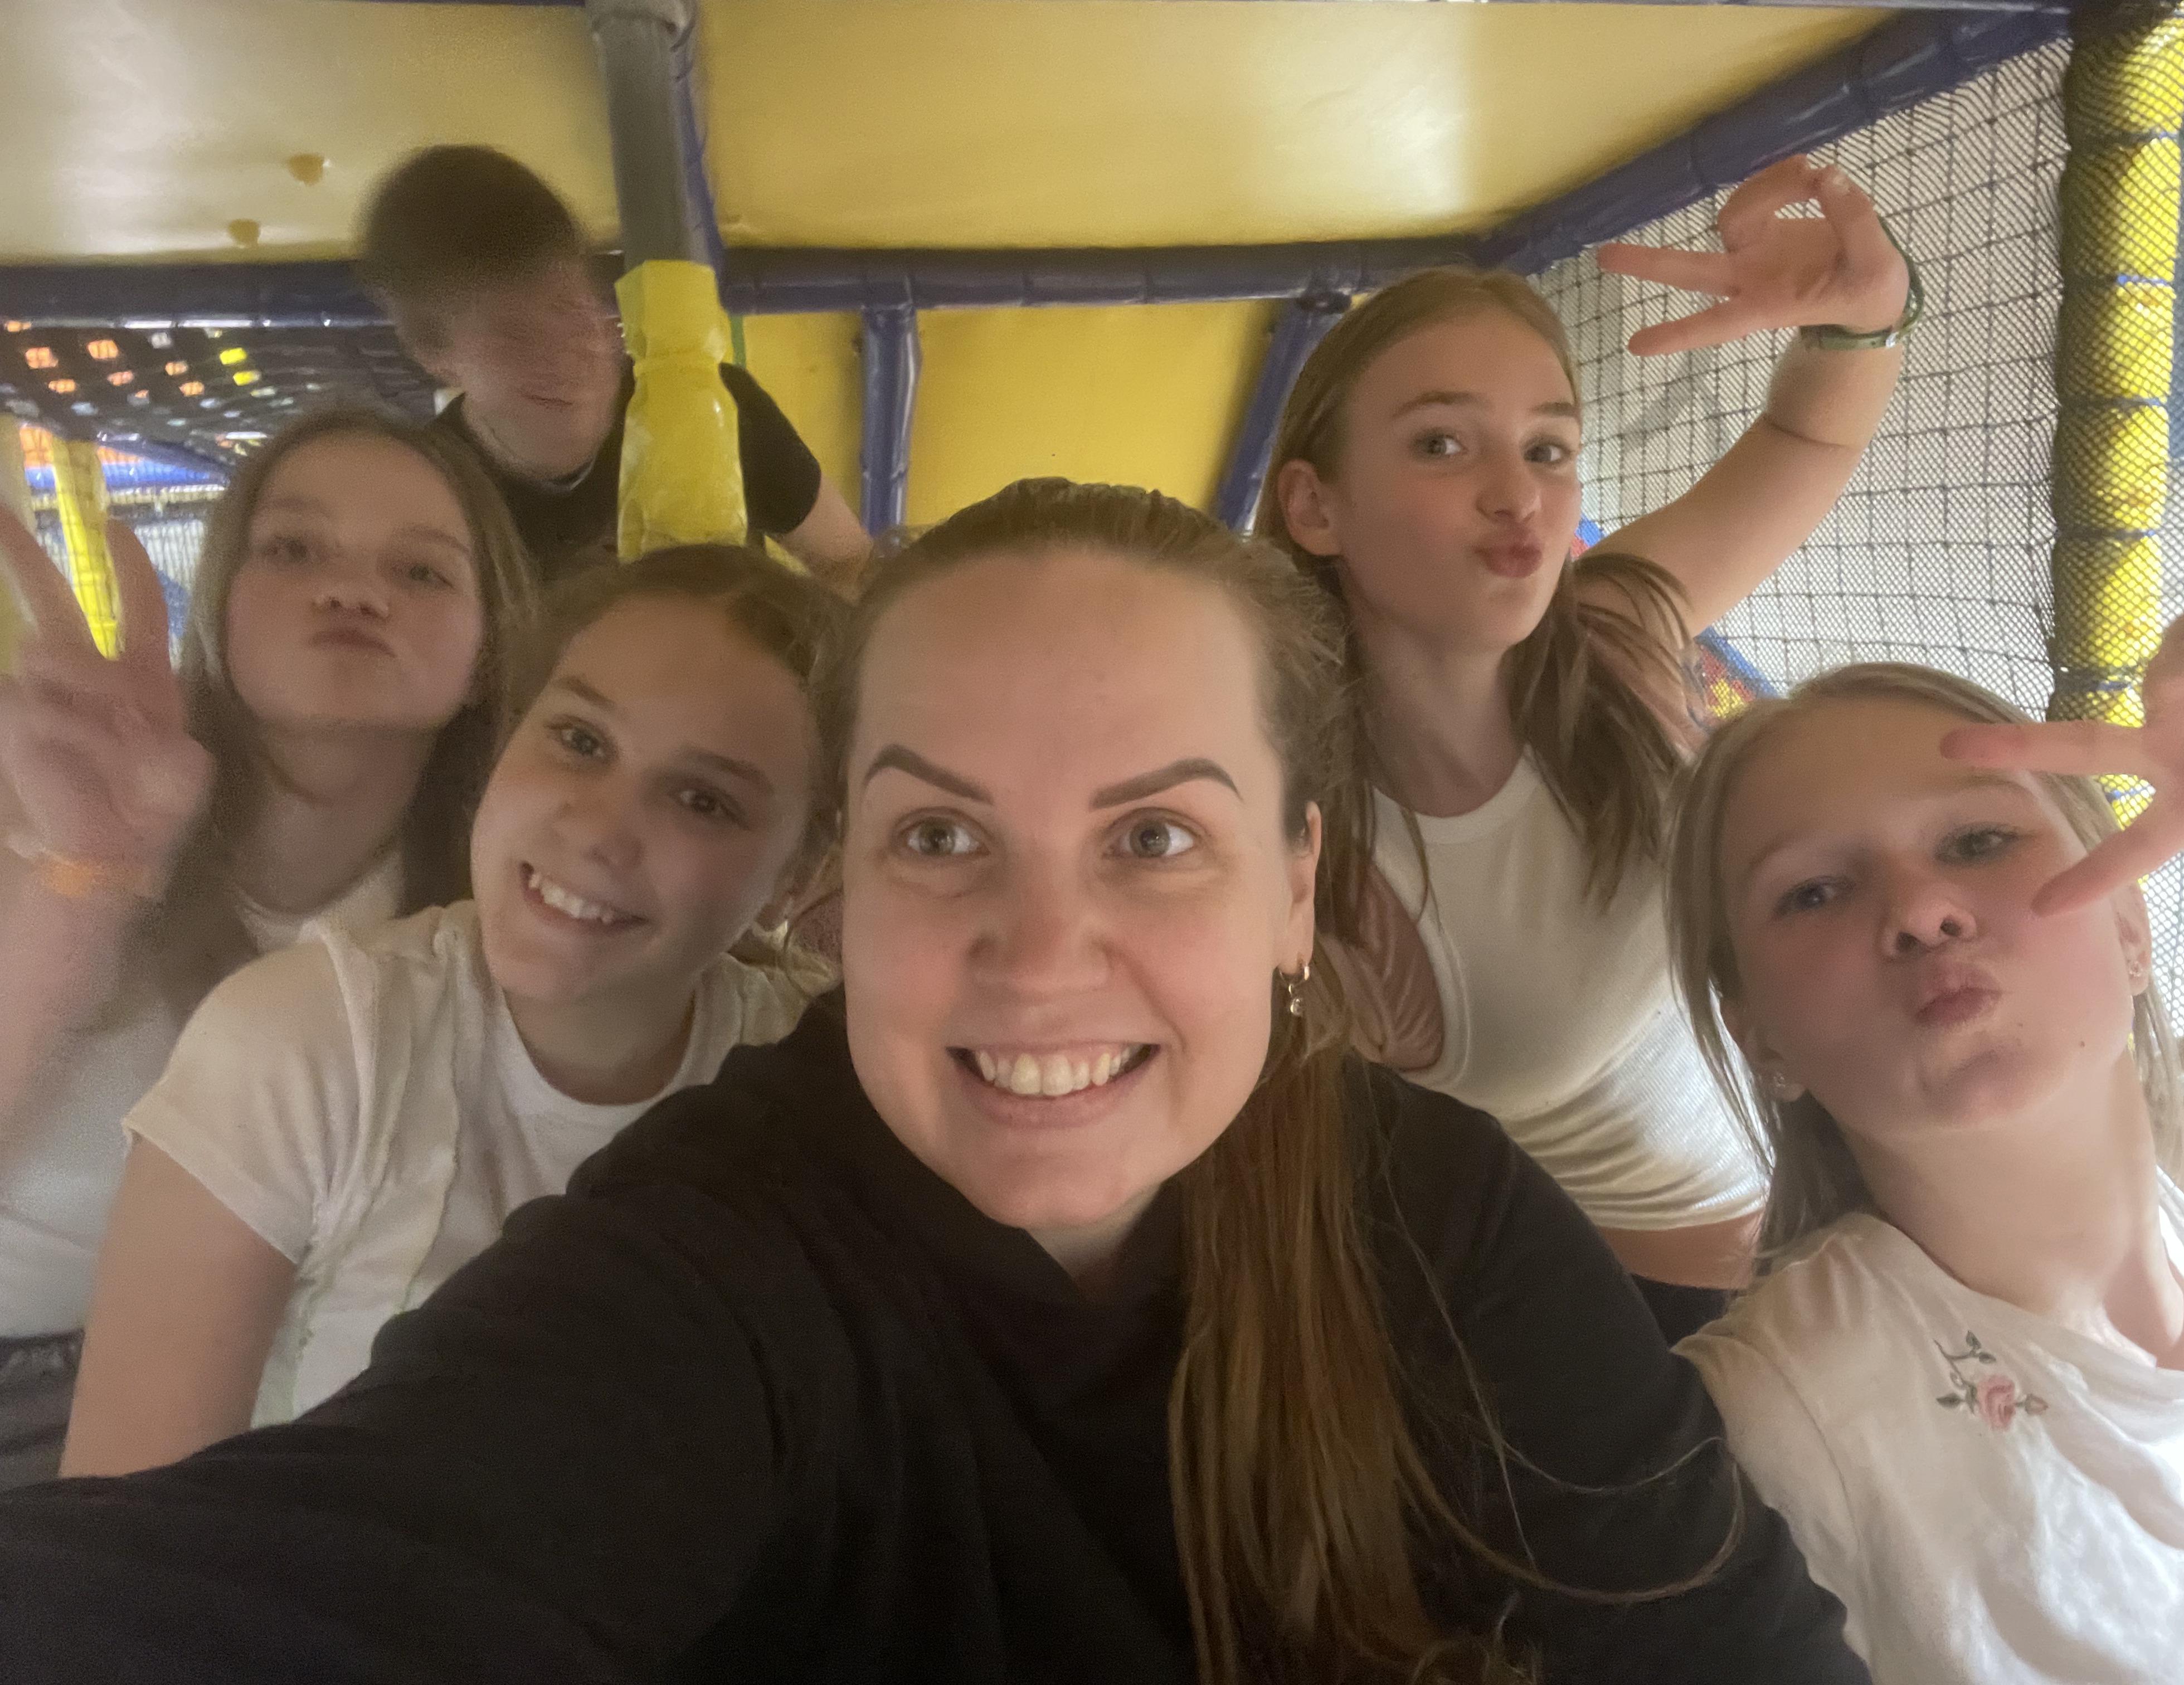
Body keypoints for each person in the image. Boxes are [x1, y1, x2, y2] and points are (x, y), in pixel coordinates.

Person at [0, 480, 1864, 1685]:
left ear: (1300, 884)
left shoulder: (1446, 1227)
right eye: (942, 837)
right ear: (841, 891)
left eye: (1153, 838)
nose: (1040, 958)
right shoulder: (711, 1257)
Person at [1258, 155, 1917, 1333]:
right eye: (1442, 445)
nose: (1516, 494)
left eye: (1548, 449)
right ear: (1316, 507)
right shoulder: (1320, 850)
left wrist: (1858, 320)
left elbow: (1806, 438)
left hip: (1882, 1201)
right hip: (1679, 1311)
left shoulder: (1613, 633)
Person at [61, 546, 839, 1475]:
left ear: (795, 876)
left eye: (703, 799)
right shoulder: (299, 1044)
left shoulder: (825, 1082)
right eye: (581, 740)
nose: (598, 827)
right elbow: (124, 1520)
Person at [1664, 620, 2184, 1681]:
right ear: (1759, 1037)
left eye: (1977, 841)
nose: (1921, 911)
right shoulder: (1770, 1429)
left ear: (2129, 922)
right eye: (1813, 891)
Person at [0, 407, 536, 1488]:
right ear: (221, 608)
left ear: (487, 651)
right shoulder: (53, 790)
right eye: (293, 549)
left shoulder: (511, 925)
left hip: (303, 1415)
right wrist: (83, 880)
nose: (352, 591)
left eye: (421, 571)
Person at [358, 144, 873, 591]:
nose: (561, 355)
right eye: (513, 335)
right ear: (437, 357)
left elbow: (850, 564)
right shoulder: (427, 498)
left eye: (569, 308)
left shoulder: (713, 406)